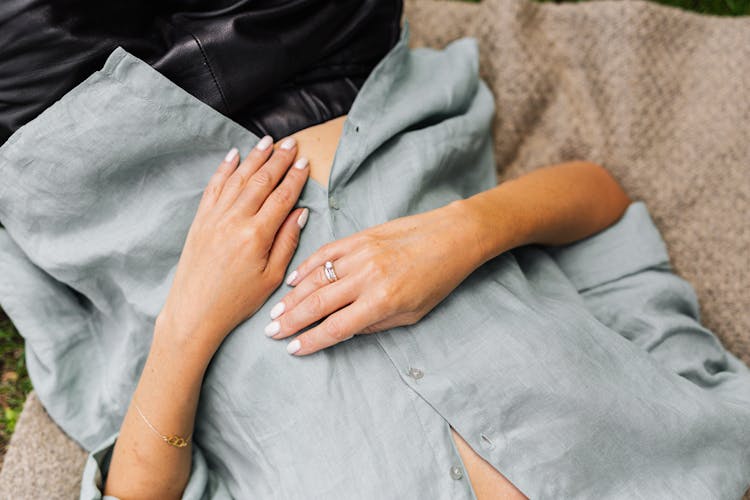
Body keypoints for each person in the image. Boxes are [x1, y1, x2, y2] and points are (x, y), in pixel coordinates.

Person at [1, 22, 748, 500]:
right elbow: (601, 205)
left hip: (100, 158)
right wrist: (455, 236)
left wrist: (192, 315)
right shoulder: (708, 467)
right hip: (336, 74)